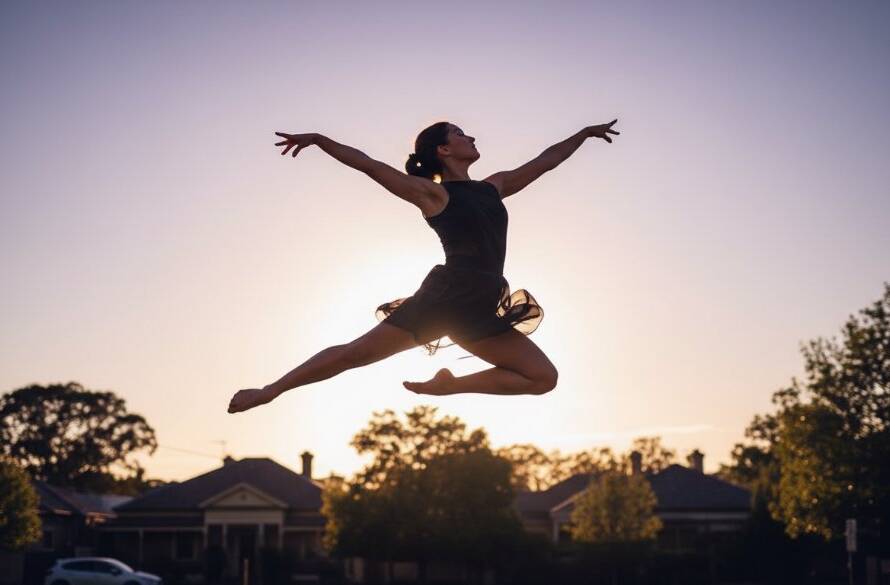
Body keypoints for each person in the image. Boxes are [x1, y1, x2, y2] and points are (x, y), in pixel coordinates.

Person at [227, 119, 620, 413]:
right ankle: (270, 391)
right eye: (460, 133)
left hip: (481, 303)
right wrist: (320, 140)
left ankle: (449, 386)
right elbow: (370, 165)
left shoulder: (493, 187)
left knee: (542, 379)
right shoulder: (433, 194)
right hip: (449, 296)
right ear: (443, 151)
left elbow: (545, 161)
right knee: (355, 354)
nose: (472, 137)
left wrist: (583, 134)